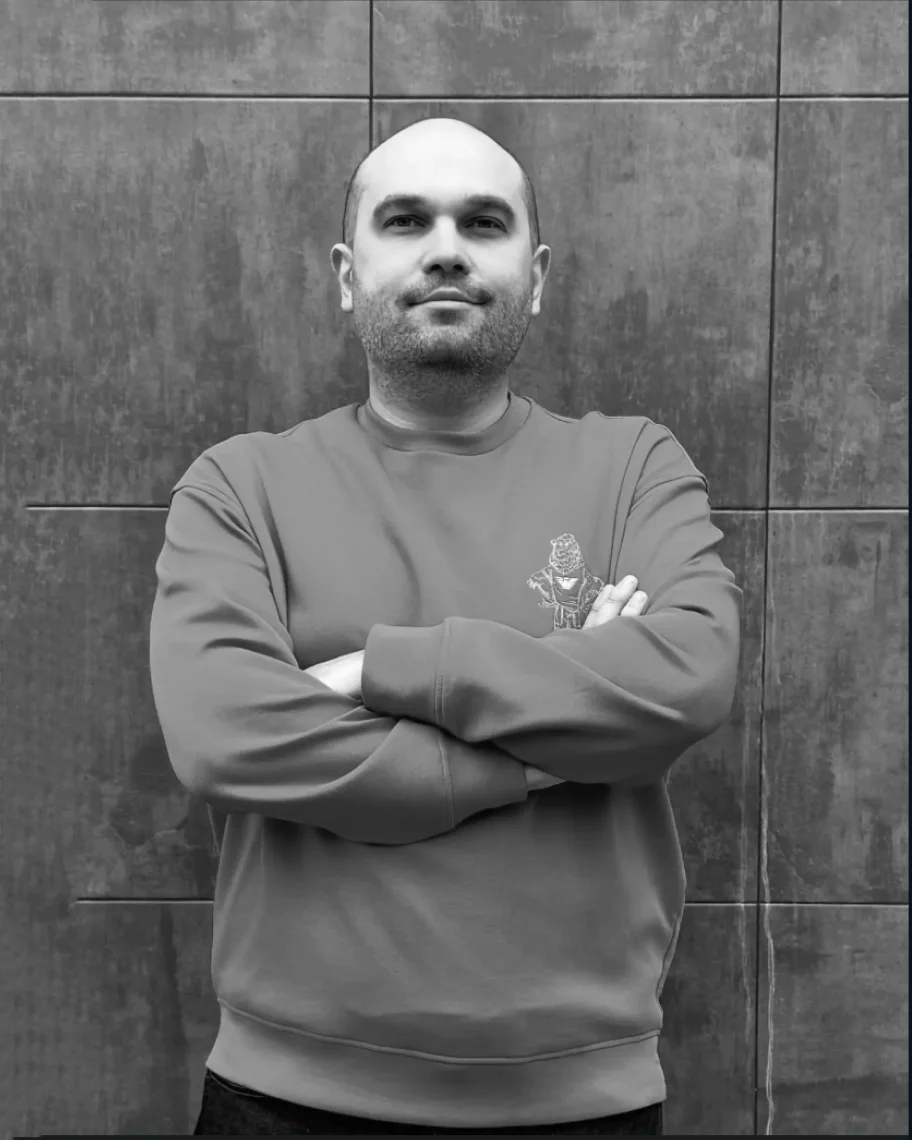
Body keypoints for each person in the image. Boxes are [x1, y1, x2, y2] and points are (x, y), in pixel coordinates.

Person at [149, 116, 742, 1136]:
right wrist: (554, 731)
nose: (447, 249)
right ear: (347, 276)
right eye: (405, 220)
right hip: (285, 1100)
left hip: (583, 1104)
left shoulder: (634, 467)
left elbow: (688, 676)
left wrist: (370, 670)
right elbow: (225, 735)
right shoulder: (240, 487)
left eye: (484, 222)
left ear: (536, 276)